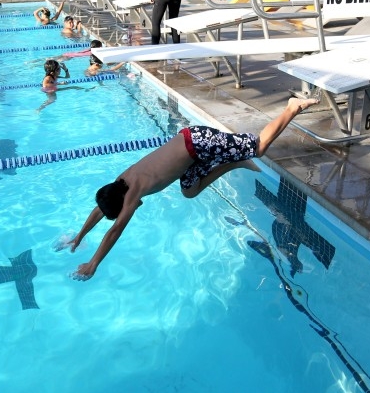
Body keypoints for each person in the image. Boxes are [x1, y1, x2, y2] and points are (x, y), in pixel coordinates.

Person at [61, 97, 320, 280]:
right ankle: (237, 163)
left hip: (198, 142)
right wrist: (79, 236)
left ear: (123, 204)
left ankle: (291, 107)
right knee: (189, 191)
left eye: (119, 212)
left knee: (260, 146)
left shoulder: (132, 193)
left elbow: (115, 231)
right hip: (190, 154)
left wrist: (93, 263)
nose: (122, 214)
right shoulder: (119, 183)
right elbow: (99, 210)